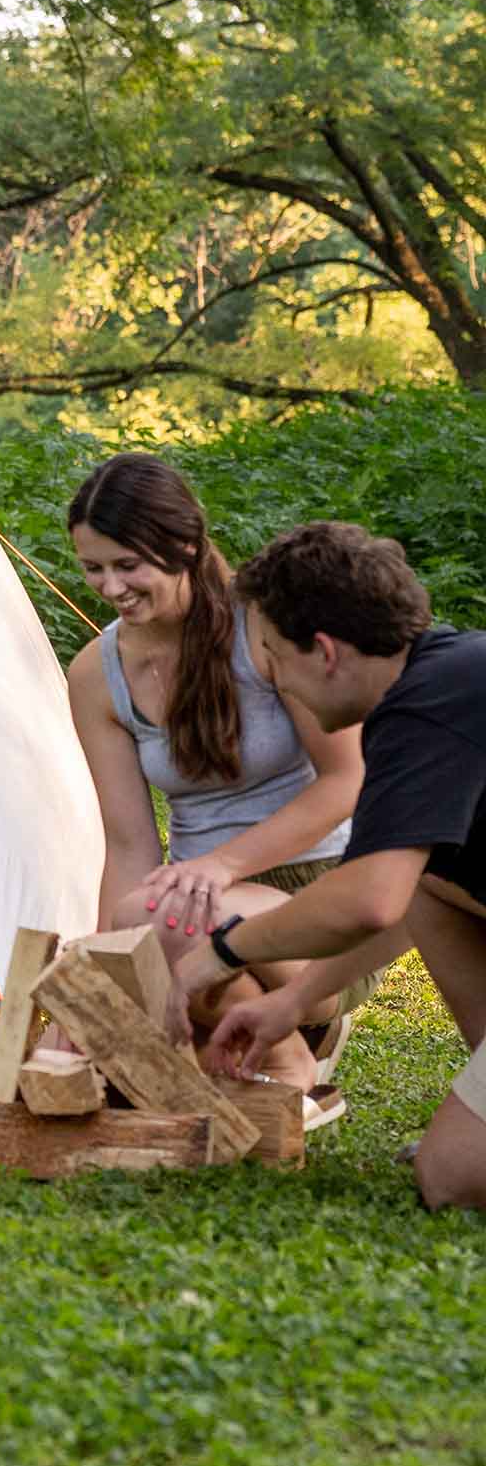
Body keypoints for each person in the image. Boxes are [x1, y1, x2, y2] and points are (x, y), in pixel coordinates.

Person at [180, 525, 486, 1208]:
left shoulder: (428, 709)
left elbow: (368, 898)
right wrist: (292, 1001)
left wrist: (221, 952)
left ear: (322, 651)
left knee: (450, 1178)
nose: (272, 677)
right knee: (431, 883)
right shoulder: (444, 679)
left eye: (272, 657)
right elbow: (403, 900)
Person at [63, 455, 368, 1087]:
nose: (111, 587)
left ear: (185, 545)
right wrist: (102, 971)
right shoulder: (95, 674)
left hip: (319, 891)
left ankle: (289, 1061)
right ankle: (277, 1041)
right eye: (93, 568)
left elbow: (347, 780)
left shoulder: (267, 629)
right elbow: (128, 844)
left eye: (128, 565)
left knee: (159, 915)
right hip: (194, 905)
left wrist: (222, 865)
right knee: (138, 927)